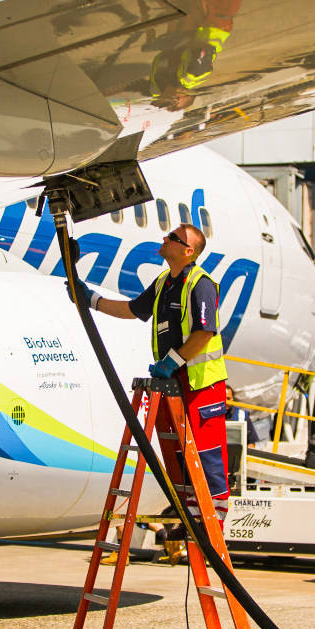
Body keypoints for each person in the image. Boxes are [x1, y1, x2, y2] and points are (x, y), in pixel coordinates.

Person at [68, 223, 229, 562]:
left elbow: (205, 333)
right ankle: (189, 518)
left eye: (173, 238)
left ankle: (213, 521)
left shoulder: (201, 284)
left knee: (206, 452)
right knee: (177, 456)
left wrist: (171, 361)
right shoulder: (163, 283)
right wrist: (91, 299)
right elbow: (132, 310)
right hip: (174, 381)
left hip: (201, 382)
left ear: (187, 251)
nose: (165, 239)